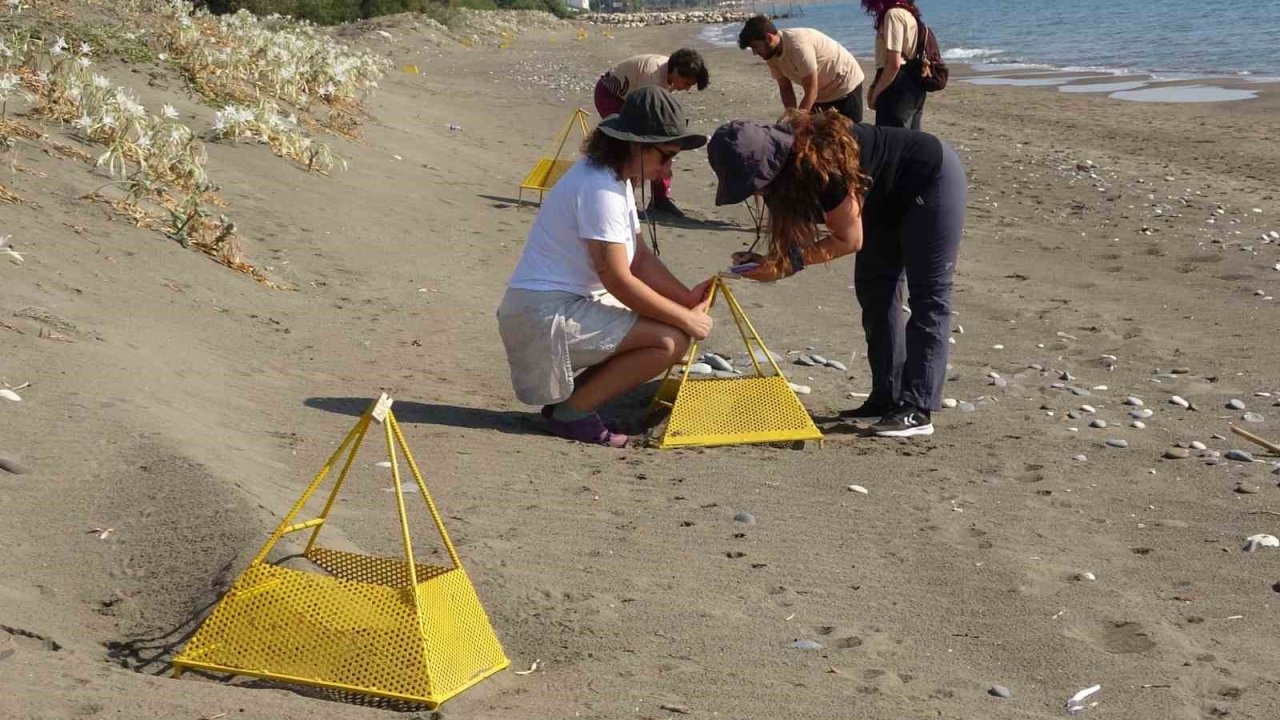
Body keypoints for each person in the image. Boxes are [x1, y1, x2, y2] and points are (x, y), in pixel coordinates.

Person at [706, 111, 965, 437]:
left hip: (931, 177)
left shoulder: (820, 163)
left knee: (929, 294)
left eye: (755, 183)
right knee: (875, 289)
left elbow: (849, 239)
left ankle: (918, 408)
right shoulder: (785, 176)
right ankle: (887, 397)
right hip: (881, 199)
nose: (756, 192)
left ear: (772, 164)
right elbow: (799, 244)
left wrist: (787, 264)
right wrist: (769, 260)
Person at [498, 87, 713, 448]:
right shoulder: (600, 189)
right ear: (636, 145)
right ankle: (572, 414)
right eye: (666, 156)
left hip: (552, 307)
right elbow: (617, 279)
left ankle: (568, 405)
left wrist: (685, 297)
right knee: (669, 340)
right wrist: (685, 319)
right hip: (541, 318)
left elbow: (638, 257)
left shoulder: (614, 178)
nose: (668, 169)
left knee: (669, 324)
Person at [593, 49, 711, 218]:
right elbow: (644, 118)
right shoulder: (652, 77)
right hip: (611, 94)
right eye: (686, 84)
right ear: (676, 71)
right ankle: (626, 198)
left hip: (633, 96)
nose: (685, 89)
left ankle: (660, 198)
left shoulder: (667, 74)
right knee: (632, 147)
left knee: (661, 146)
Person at [737, 15, 866, 123]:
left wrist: (796, 121)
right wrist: (792, 116)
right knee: (816, 140)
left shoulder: (798, 45)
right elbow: (785, 88)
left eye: (755, 47)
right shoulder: (770, 55)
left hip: (845, 86)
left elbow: (811, 91)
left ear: (769, 38)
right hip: (822, 94)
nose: (754, 53)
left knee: (848, 141)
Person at [863, 0, 927, 129]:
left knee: (891, 141)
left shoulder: (893, 14)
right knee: (911, 141)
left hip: (897, 86)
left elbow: (894, 64)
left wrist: (876, 93)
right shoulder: (910, 14)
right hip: (914, 82)